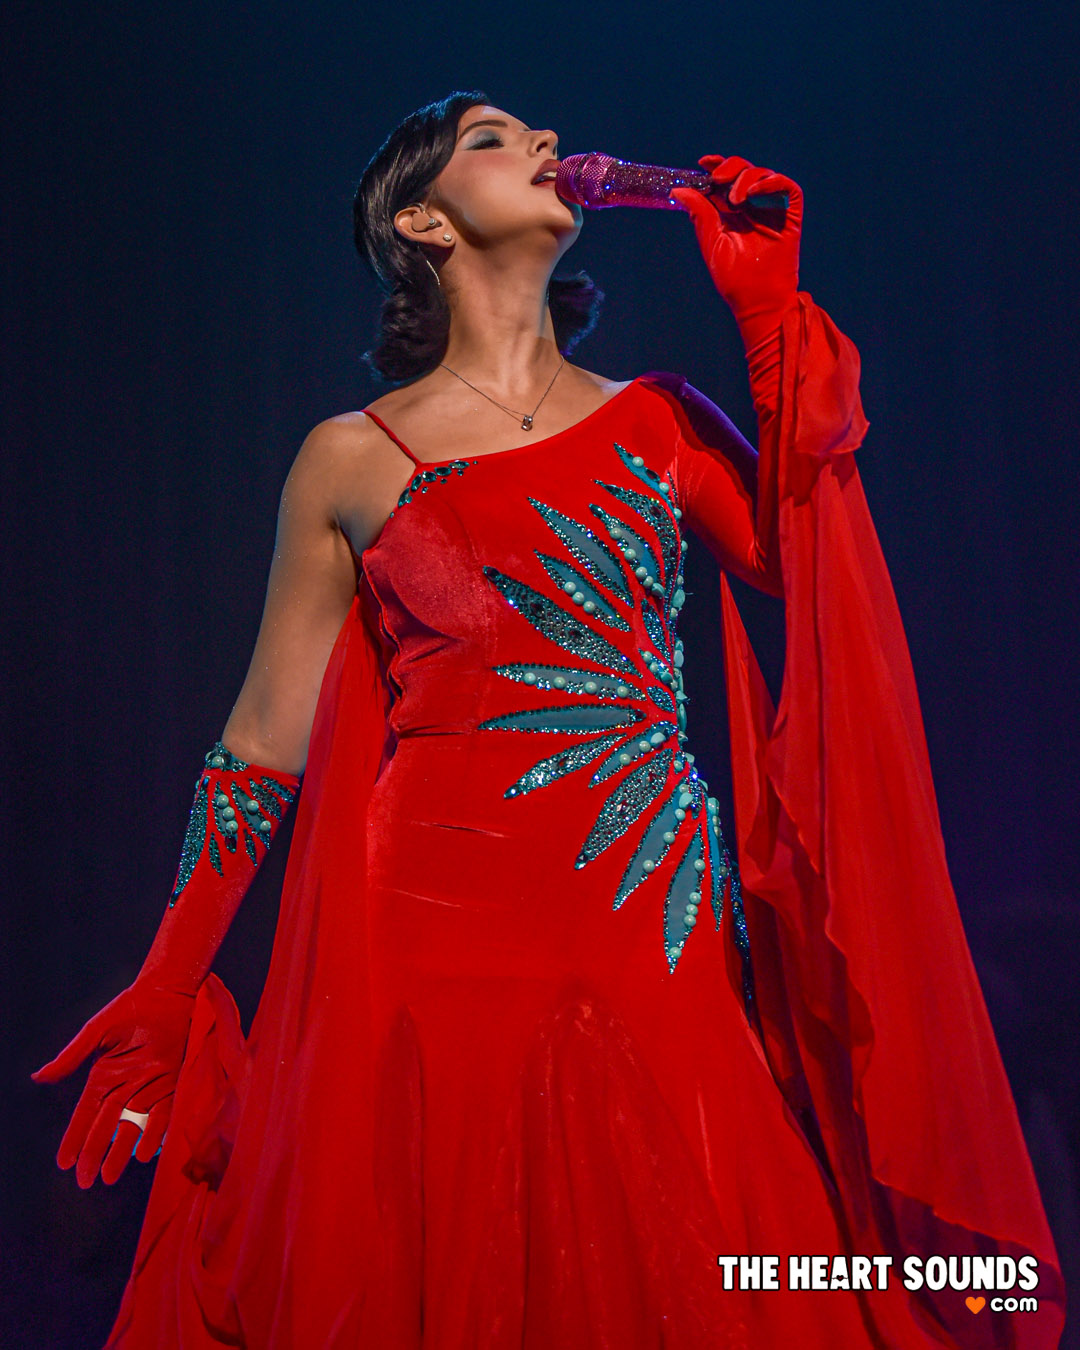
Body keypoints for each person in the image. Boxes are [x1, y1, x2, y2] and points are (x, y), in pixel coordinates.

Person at [31, 89, 1064, 1348]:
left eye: (536, 133)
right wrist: (165, 982)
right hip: (430, 940)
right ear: (422, 221)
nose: (540, 144)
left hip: (650, 925)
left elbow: (807, 565)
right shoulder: (350, 456)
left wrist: (764, 319)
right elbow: (259, 746)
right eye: (492, 138)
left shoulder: (659, 418)